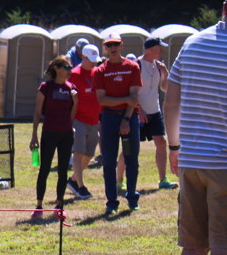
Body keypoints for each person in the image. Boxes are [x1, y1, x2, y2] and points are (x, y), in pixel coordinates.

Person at [165, 3, 227, 255]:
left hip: (191, 160)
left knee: (193, 246)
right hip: (224, 164)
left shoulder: (192, 44)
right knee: (223, 246)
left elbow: (171, 102)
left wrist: (174, 146)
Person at [94, 32, 142, 214]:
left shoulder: (132, 67)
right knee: (108, 162)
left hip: (129, 118)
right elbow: (102, 100)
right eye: (109, 45)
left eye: (116, 44)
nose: (112, 48)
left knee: (131, 159)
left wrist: (126, 119)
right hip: (109, 119)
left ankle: (132, 197)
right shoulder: (100, 70)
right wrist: (125, 99)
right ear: (105, 48)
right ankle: (112, 202)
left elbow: (134, 98)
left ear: (121, 45)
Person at [29, 56, 78, 218]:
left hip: (66, 134)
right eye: (66, 67)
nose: (70, 70)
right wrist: (34, 136)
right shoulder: (46, 87)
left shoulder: (72, 88)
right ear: (56, 68)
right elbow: (37, 113)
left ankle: (59, 204)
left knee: (63, 170)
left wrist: (76, 101)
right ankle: (39, 205)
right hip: (49, 132)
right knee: (44, 169)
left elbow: (72, 116)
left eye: (71, 67)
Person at [137, 36, 177, 190]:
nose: (161, 51)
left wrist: (165, 72)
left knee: (161, 143)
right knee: (132, 147)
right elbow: (131, 91)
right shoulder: (136, 65)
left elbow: (165, 88)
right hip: (139, 112)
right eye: (159, 48)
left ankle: (163, 180)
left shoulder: (158, 66)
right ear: (150, 50)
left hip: (155, 111)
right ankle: (120, 180)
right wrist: (139, 110)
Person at [67, 43, 101, 199]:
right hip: (79, 120)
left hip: (94, 120)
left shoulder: (97, 73)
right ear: (83, 58)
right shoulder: (74, 74)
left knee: (89, 155)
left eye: (95, 60)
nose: (94, 63)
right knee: (78, 153)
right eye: (91, 60)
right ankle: (81, 187)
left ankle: (73, 180)